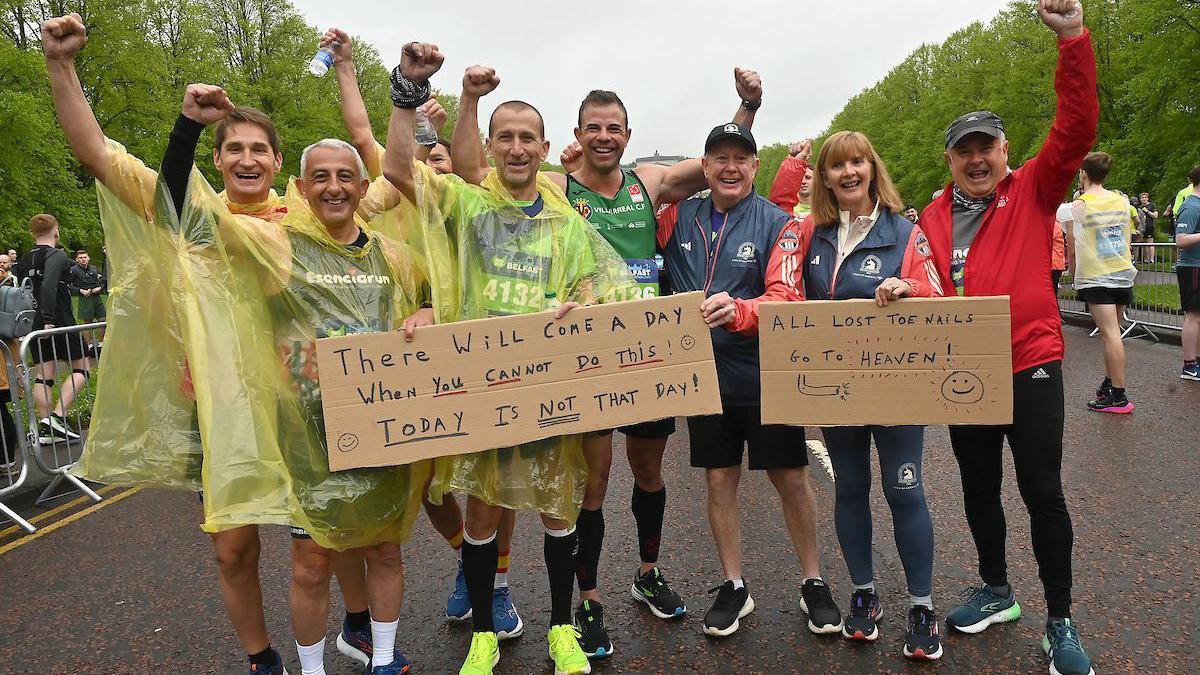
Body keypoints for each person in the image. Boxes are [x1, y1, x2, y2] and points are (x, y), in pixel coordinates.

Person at [41, 14, 379, 674]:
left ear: (281, 163)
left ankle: (359, 624)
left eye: (261, 149)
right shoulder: (191, 213)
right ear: (218, 159)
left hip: (304, 401)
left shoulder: (307, 213)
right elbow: (96, 153)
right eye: (236, 149)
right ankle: (262, 658)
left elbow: (383, 215)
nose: (249, 158)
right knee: (234, 549)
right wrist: (60, 64)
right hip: (218, 411)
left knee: (332, 531)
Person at [384, 51, 637, 675]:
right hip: (480, 390)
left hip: (547, 388)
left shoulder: (567, 223)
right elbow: (393, 166)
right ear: (490, 146)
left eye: (529, 138)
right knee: (481, 513)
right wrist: (411, 89)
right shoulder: (467, 206)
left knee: (558, 508)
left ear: (546, 147)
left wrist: (580, 305)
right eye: (507, 138)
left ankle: (560, 628)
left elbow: (597, 287)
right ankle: (482, 635)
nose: (518, 148)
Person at [322, 27, 525, 646]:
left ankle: (497, 578)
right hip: (402, 345)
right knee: (428, 473)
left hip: (470, 341)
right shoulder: (388, 192)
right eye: (423, 158)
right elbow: (366, 134)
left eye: (443, 159)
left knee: (495, 471)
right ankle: (470, 557)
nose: (433, 167)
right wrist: (349, 68)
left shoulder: (471, 199)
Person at [548, 73, 760, 657]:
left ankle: (647, 571)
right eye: (593, 128)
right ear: (577, 133)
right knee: (592, 484)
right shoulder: (557, 188)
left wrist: (747, 106)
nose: (603, 137)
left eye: (613, 128)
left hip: (648, 357)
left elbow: (721, 160)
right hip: (589, 358)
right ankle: (588, 599)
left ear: (627, 134)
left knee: (648, 471)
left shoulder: (648, 182)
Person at [918, 3, 1098, 674]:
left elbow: (1077, 124)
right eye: (963, 150)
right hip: (965, 370)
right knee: (976, 484)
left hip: (1031, 361)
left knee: (1042, 488)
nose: (975, 159)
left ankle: (1060, 618)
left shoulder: (1034, 190)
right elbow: (924, 281)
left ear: (1002, 150)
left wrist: (1072, 39)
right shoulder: (931, 216)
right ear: (950, 159)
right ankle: (996, 587)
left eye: (985, 147)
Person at [654, 122, 841, 639]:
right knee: (719, 479)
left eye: (741, 158)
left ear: (756, 166)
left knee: (790, 478)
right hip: (704, 379)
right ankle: (734, 584)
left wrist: (738, 311)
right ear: (705, 165)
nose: (730, 167)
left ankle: (813, 580)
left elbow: (786, 295)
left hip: (763, 373)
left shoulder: (777, 222)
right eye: (720, 158)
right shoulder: (676, 216)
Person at [801, 130, 944, 659]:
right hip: (839, 393)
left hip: (897, 390)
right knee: (850, 487)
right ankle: (864, 597)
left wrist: (908, 289)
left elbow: (937, 294)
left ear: (872, 168)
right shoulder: (811, 236)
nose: (849, 173)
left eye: (858, 162)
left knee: (904, 489)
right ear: (826, 178)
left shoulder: (906, 232)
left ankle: (921, 605)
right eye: (837, 166)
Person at [1069, 152, 1137, 413]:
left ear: (1083, 173)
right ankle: (1110, 383)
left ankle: (1119, 396)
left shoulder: (1079, 205)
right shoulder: (1120, 201)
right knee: (1114, 333)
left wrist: (1075, 276)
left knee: (1110, 334)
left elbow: (1073, 247)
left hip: (1096, 275)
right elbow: (1126, 236)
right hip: (1120, 271)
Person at [13, 214, 90, 445]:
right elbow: (48, 286)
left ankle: (47, 428)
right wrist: (49, 319)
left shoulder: (25, 258)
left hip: (34, 323)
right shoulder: (56, 254)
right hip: (58, 321)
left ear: (32, 233)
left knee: (44, 376)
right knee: (82, 369)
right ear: (56, 231)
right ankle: (56, 417)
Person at [1175, 165, 1200, 381]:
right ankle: (1189, 365)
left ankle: (1196, 361)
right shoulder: (1191, 206)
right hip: (1193, 266)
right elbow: (1181, 240)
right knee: (1193, 316)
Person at [68, 248, 106, 353]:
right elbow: (69, 285)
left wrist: (100, 288)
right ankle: (88, 346)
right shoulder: (74, 270)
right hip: (85, 297)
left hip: (96, 297)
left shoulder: (93, 268)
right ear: (76, 260)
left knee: (103, 319)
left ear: (88, 258)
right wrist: (80, 291)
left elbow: (103, 280)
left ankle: (101, 344)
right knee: (87, 322)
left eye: (85, 257)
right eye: (80, 258)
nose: (83, 259)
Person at [768, 139, 814, 217]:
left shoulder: (828, 212)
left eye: (808, 178)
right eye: (800, 178)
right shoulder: (786, 212)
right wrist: (795, 161)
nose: (802, 182)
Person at [1137, 192, 1159, 263]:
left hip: (1149, 226)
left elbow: (1155, 216)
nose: (1144, 199)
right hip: (1141, 227)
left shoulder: (1152, 205)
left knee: (1150, 243)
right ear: (1140, 199)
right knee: (1143, 244)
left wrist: (1147, 211)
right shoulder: (1139, 207)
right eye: (1142, 198)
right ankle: (1146, 260)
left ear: (1148, 198)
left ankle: (1152, 259)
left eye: (1145, 197)